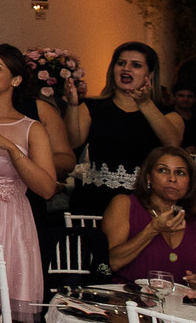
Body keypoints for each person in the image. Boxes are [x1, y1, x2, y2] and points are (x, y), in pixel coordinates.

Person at [0, 45, 57, 323]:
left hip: (8, 223)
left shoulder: (31, 128)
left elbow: (46, 187)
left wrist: (9, 147)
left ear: (15, 80)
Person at [64, 42, 183, 216]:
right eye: (121, 63)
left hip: (145, 202)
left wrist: (145, 103)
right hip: (97, 199)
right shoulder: (92, 107)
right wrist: (73, 106)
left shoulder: (167, 114)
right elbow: (74, 142)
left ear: (149, 74)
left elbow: (172, 143)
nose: (126, 69)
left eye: (136, 65)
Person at [103, 146, 195, 282]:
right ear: (148, 178)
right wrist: (153, 229)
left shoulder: (192, 218)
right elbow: (111, 263)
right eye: (163, 170)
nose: (172, 179)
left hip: (179, 301)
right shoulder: (124, 204)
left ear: (189, 183)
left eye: (180, 173)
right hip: (127, 299)